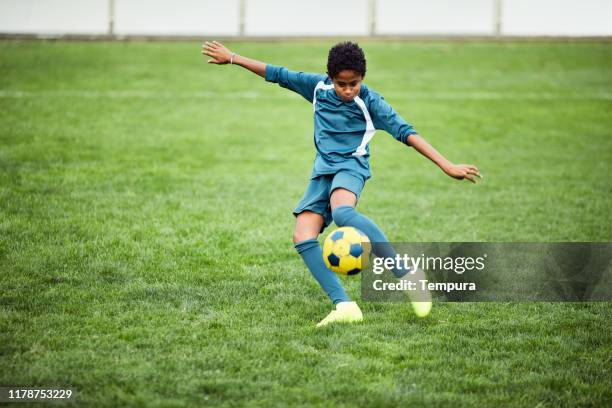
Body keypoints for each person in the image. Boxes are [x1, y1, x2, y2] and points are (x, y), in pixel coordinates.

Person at [202, 40, 481, 327]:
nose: (348, 90)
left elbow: (406, 133)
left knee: (343, 213)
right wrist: (234, 58)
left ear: (362, 79)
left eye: (354, 84)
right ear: (330, 77)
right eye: (341, 84)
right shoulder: (317, 88)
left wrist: (446, 164)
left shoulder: (371, 102)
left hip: (351, 166)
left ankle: (406, 275)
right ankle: (345, 306)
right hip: (322, 171)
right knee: (302, 236)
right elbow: (277, 73)